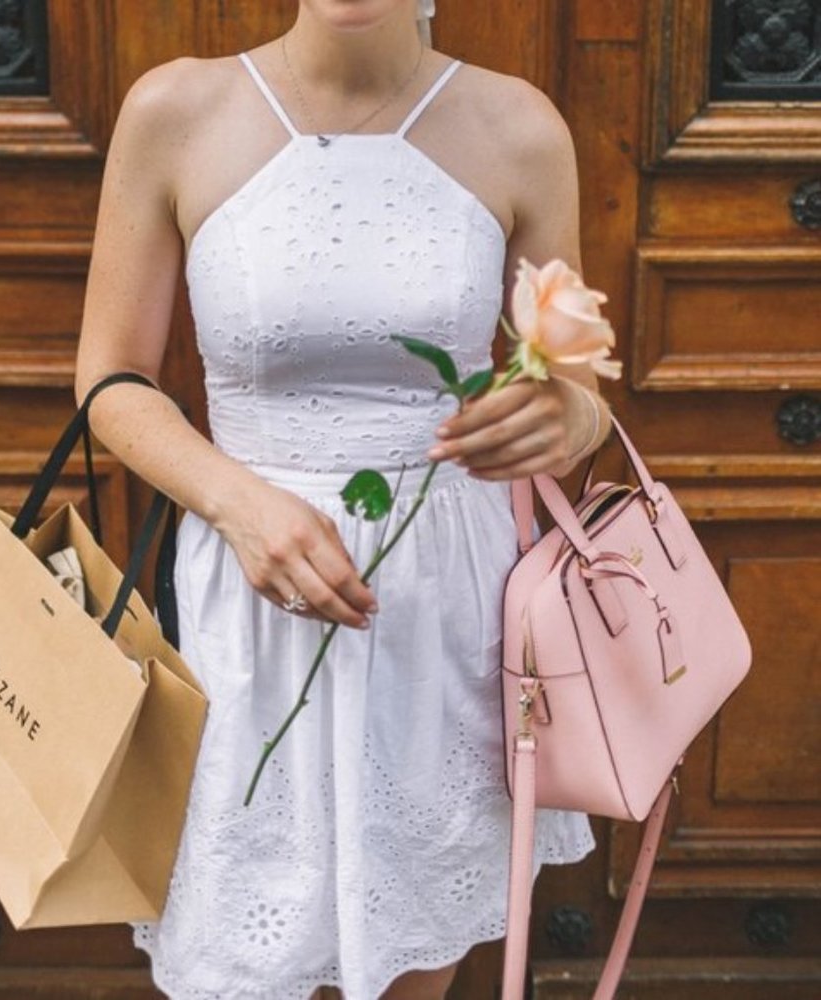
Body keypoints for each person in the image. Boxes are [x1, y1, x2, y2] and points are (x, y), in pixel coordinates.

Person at [75, 1, 609, 997]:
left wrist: (566, 421)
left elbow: (574, 383)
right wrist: (238, 504)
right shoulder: (176, 111)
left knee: (412, 957)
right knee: (241, 957)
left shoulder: (519, 129)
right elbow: (109, 379)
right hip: (248, 599)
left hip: (442, 612)